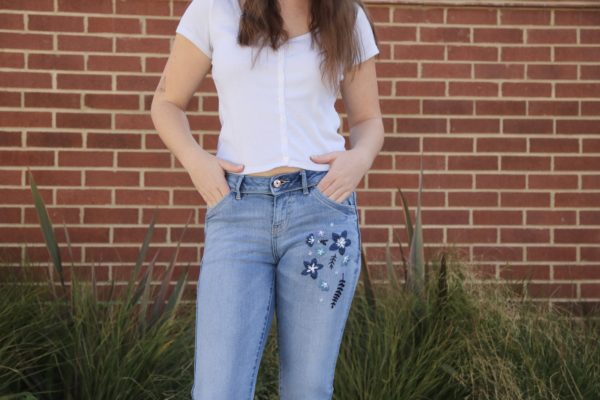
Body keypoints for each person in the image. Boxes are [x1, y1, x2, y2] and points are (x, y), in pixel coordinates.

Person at [150, 0, 383, 398]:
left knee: (307, 389)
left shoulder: (345, 15)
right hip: (238, 213)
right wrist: (196, 161)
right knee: (217, 390)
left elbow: (367, 120)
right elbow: (166, 103)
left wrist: (358, 159)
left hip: (321, 213)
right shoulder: (213, 9)